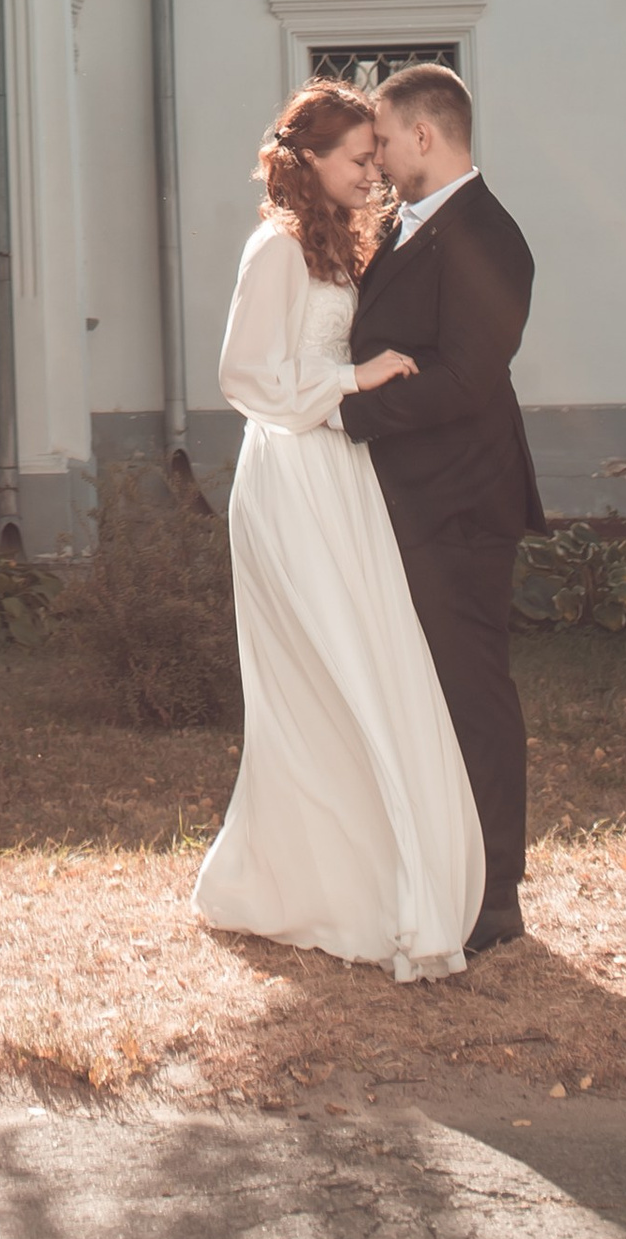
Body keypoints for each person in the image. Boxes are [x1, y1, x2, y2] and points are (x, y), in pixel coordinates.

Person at [190, 81, 483, 982]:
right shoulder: (275, 248)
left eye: (375, 153)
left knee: (367, 664)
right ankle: (322, 881)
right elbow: (245, 380)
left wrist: (350, 390)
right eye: (359, 156)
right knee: (333, 670)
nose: (374, 169)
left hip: (338, 475)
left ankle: (367, 872)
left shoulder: (334, 246)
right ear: (309, 160)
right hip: (289, 477)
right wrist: (352, 383)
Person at [340, 61, 546, 956]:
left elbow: (467, 380)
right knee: (414, 693)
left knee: (472, 692)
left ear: (426, 135)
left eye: (382, 139)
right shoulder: (396, 226)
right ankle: (432, 866)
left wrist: (346, 411)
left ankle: (497, 892)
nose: (374, 157)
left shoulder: (494, 238)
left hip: (461, 504)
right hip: (401, 500)